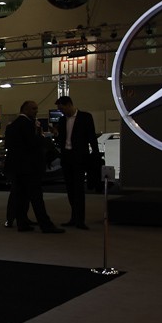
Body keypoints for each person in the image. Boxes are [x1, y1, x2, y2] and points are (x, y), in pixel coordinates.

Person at [4, 100, 64, 234]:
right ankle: (46, 225)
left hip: (17, 168)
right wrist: (45, 140)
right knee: (37, 197)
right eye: (33, 109)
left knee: (21, 196)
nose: (36, 111)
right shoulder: (28, 125)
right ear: (25, 110)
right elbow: (33, 143)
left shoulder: (12, 125)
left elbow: (9, 145)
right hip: (29, 167)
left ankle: (22, 223)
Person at [54, 95, 100, 230]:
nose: (61, 112)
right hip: (67, 158)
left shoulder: (85, 117)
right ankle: (73, 218)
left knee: (79, 189)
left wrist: (95, 154)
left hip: (79, 158)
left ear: (69, 105)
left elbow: (91, 136)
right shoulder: (62, 120)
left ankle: (80, 219)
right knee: (70, 189)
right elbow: (62, 139)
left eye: (62, 109)